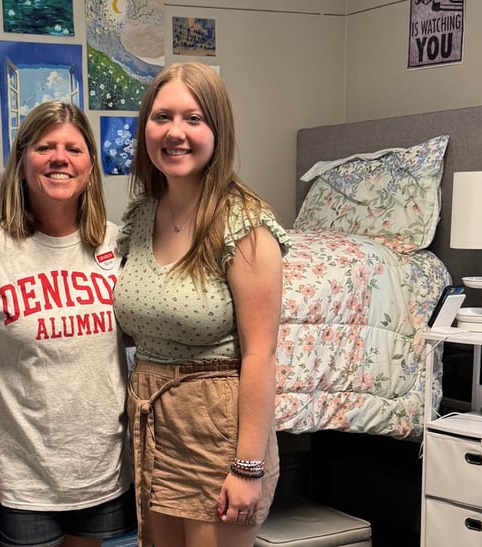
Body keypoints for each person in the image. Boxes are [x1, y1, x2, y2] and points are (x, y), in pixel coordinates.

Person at [0, 101, 135, 547]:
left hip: (101, 466)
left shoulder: (116, 244)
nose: (60, 158)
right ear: (22, 162)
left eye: (74, 149)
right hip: (22, 474)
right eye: (45, 147)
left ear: (90, 166)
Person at [112, 62, 291, 547]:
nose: (175, 132)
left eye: (194, 118)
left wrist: (247, 467)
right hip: (153, 426)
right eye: (161, 117)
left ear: (218, 130)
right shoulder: (141, 214)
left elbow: (260, 355)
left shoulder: (244, 224)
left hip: (218, 432)